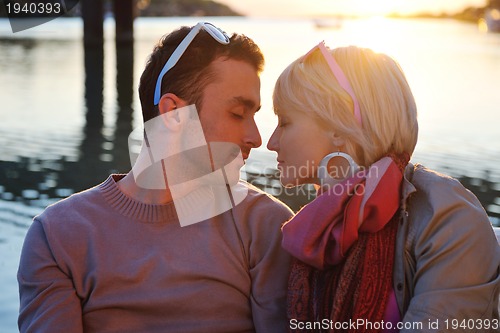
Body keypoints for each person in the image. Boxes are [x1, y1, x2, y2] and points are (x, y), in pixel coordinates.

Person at [18, 22, 293, 333]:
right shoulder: (58, 236)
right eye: (237, 113)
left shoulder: (266, 226)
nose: (256, 138)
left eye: (254, 115)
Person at [267, 41, 500, 332]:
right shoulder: (319, 223)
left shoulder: (447, 216)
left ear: (338, 126)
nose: (271, 142)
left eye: (285, 122)